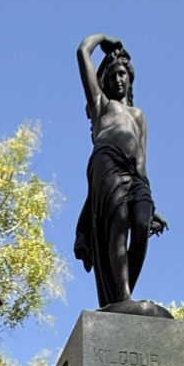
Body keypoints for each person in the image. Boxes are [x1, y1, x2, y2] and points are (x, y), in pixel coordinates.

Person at [72, 33, 166, 307]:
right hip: (107, 163)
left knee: (140, 225)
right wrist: (101, 39)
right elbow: (82, 53)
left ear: (130, 77)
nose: (117, 79)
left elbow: (142, 159)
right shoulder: (101, 106)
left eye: (122, 74)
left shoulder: (139, 116)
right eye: (112, 76)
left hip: (136, 176)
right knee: (119, 224)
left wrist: (152, 204)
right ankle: (123, 296)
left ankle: (120, 295)